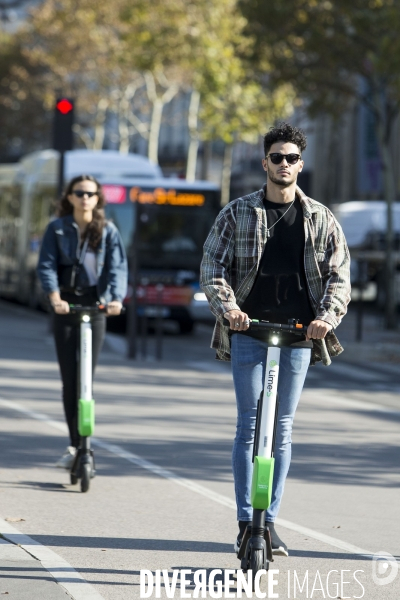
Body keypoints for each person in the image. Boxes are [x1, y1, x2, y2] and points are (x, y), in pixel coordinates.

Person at [200, 123, 351, 557]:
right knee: (249, 425)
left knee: (281, 429)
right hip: (249, 329)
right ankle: (248, 520)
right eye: (276, 157)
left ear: (301, 165)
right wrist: (228, 309)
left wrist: (327, 317)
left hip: (300, 334)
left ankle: (270, 523)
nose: (284, 164)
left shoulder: (322, 218)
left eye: (292, 158)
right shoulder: (237, 212)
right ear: (264, 162)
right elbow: (212, 265)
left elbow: (340, 277)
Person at [37, 175, 128, 469]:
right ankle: (75, 445)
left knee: (85, 379)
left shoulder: (108, 231)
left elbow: (117, 269)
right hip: (66, 305)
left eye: (90, 193)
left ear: (98, 198)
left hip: (96, 303)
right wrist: (54, 298)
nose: (85, 198)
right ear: (70, 197)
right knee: (70, 380)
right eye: (79, 193)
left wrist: (115, 300)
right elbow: (47, 264)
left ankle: (84, 447)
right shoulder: (57, 228)